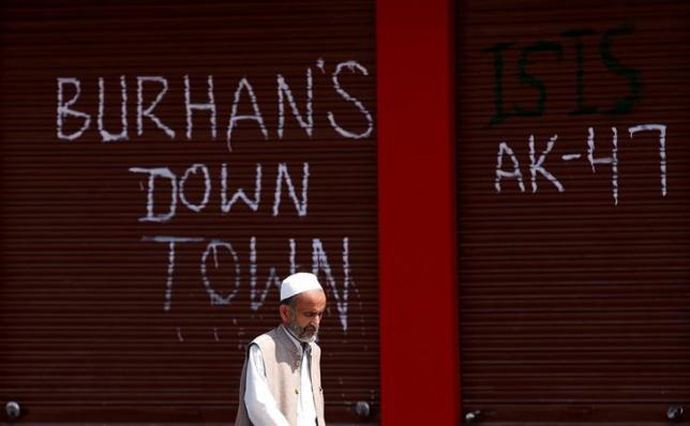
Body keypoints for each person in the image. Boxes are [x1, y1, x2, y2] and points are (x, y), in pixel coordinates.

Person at [235, 272, 327, 426]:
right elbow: (258, 406)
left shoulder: (314, 351)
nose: (316, 322)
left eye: (320, 314)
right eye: (309, 314)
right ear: (285, 313)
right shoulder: (262, 348)